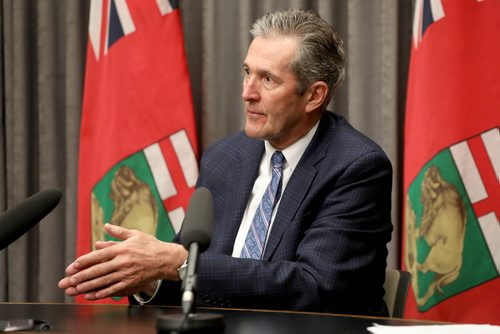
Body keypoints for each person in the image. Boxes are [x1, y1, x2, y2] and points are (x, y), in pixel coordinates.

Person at [59, 9, 393, 316]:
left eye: (268, 79)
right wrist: (148, 278)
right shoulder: (226, 157)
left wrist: (178, 263)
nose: (248, 92)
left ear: (314, 95)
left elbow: (314, 287)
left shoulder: (356, 166)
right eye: (247, 72)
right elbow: (191, 274)